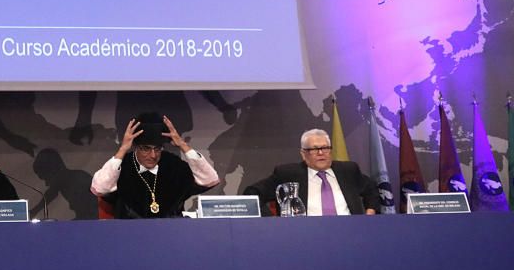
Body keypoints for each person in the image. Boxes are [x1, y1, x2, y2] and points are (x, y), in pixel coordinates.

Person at [91, 112, 220, 219]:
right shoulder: (124, 165)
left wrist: (182, 145)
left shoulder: (173, 165)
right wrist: (123, 149)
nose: (153, 155)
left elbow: (210, 179)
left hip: (171, 234)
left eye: (157, 149)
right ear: (135, 147)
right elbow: (99, 188)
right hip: (130, 235)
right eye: (146, 149)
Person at [245, 128, 379, 216]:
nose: (321, 153)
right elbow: (252, 193)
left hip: (350, 232)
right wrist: (272, 221)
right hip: (305, 235)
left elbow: (372, 188)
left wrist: (370, 211)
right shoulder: (287, 174)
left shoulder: (348, 170)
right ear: (303, 154)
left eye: (325, 148)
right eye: (315, 149)